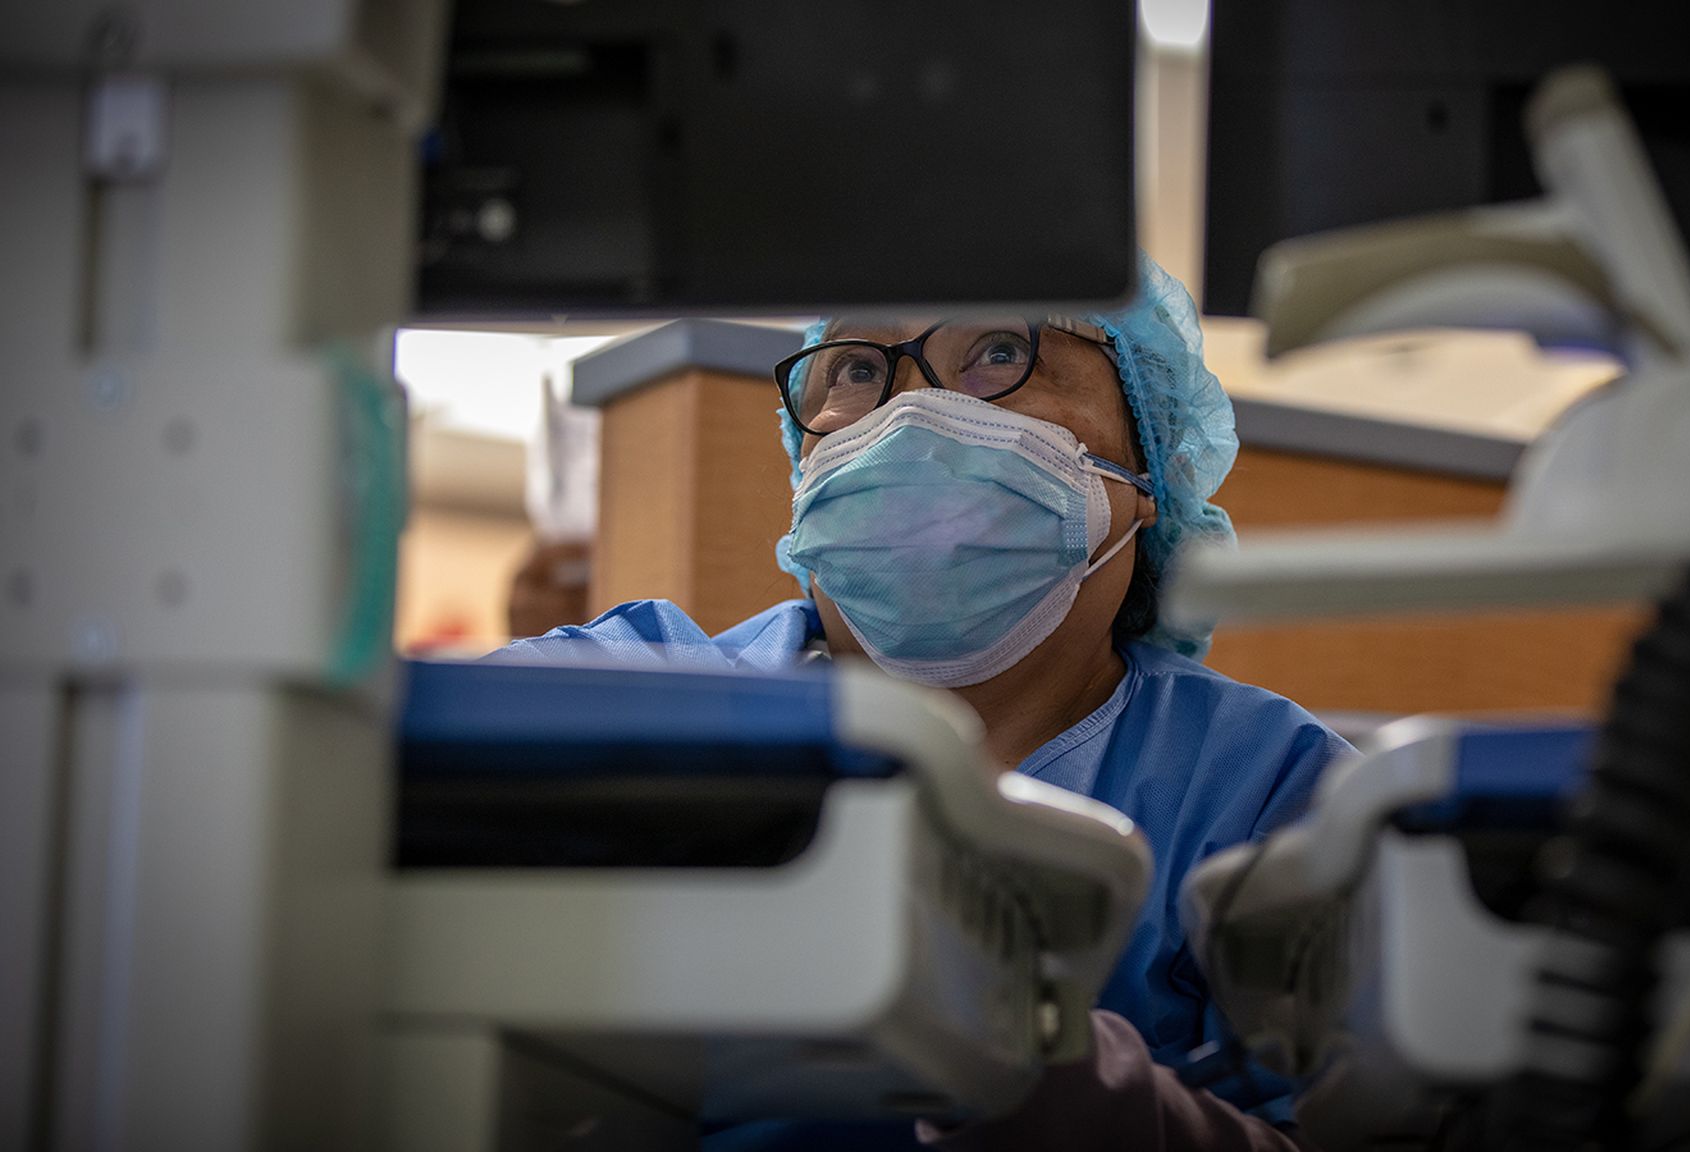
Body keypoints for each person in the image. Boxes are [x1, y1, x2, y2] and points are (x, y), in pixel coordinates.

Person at [498, 254, 1350, 1150]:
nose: (908, 416)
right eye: (859, 370)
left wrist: (1056, 1084)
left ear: (1147, 474)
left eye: (995, 350)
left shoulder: (1266, 792)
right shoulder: (636, 686)